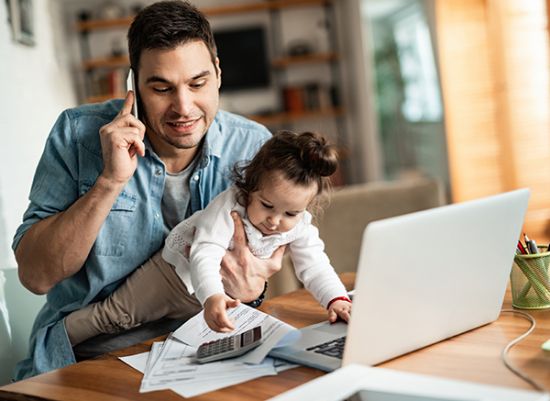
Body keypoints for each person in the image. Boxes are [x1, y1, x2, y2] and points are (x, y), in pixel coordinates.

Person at [12, 0, 283, 380]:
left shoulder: (253, 146)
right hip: (91, 356)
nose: (183, 107)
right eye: (161, 88)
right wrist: (109, 181)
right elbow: (36, 276)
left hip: (208, 348)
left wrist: (253, 288)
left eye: (197, 83)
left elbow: (260, 271)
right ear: (133, 85)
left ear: (218, 73)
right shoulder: (77, 135)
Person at [65, 131, 352, 344]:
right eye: (267, 206)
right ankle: (60, 338)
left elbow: (315, 265)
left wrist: (335, 300)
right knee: (114, 317)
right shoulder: (229, 206)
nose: (275, 221)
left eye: (291, 213)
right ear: (250, 187)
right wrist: (213, 296)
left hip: (208, 298)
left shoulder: (300, 225)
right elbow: (205, 252)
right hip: (172, 276)